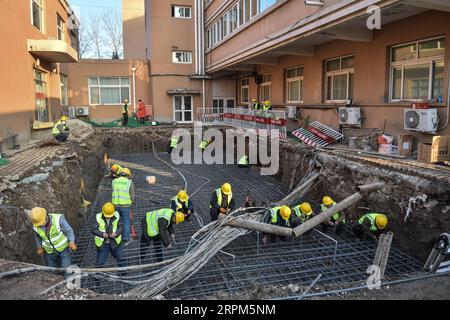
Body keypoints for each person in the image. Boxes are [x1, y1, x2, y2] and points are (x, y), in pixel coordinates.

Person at [91, 202, 127, 269]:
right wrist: (102, 234)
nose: (108, 217)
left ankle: (124, 273)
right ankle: (97, 277)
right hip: (103, 244)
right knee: (100, 262)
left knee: (121, 259)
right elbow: (93, 230)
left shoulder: (117, 215)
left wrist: (116, 233)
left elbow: (121, 227)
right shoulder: (98, 217)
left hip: (116, 243)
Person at [111, 167, 135, 245]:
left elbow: (112, 191)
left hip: (115, 205)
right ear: (127, 175)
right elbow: (132, 195)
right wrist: (131, 203)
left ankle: (115, 236)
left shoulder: (114, 181)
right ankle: (126, 239)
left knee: (115, 221)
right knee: (126, 222)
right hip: (125, 206)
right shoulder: (129, 182)